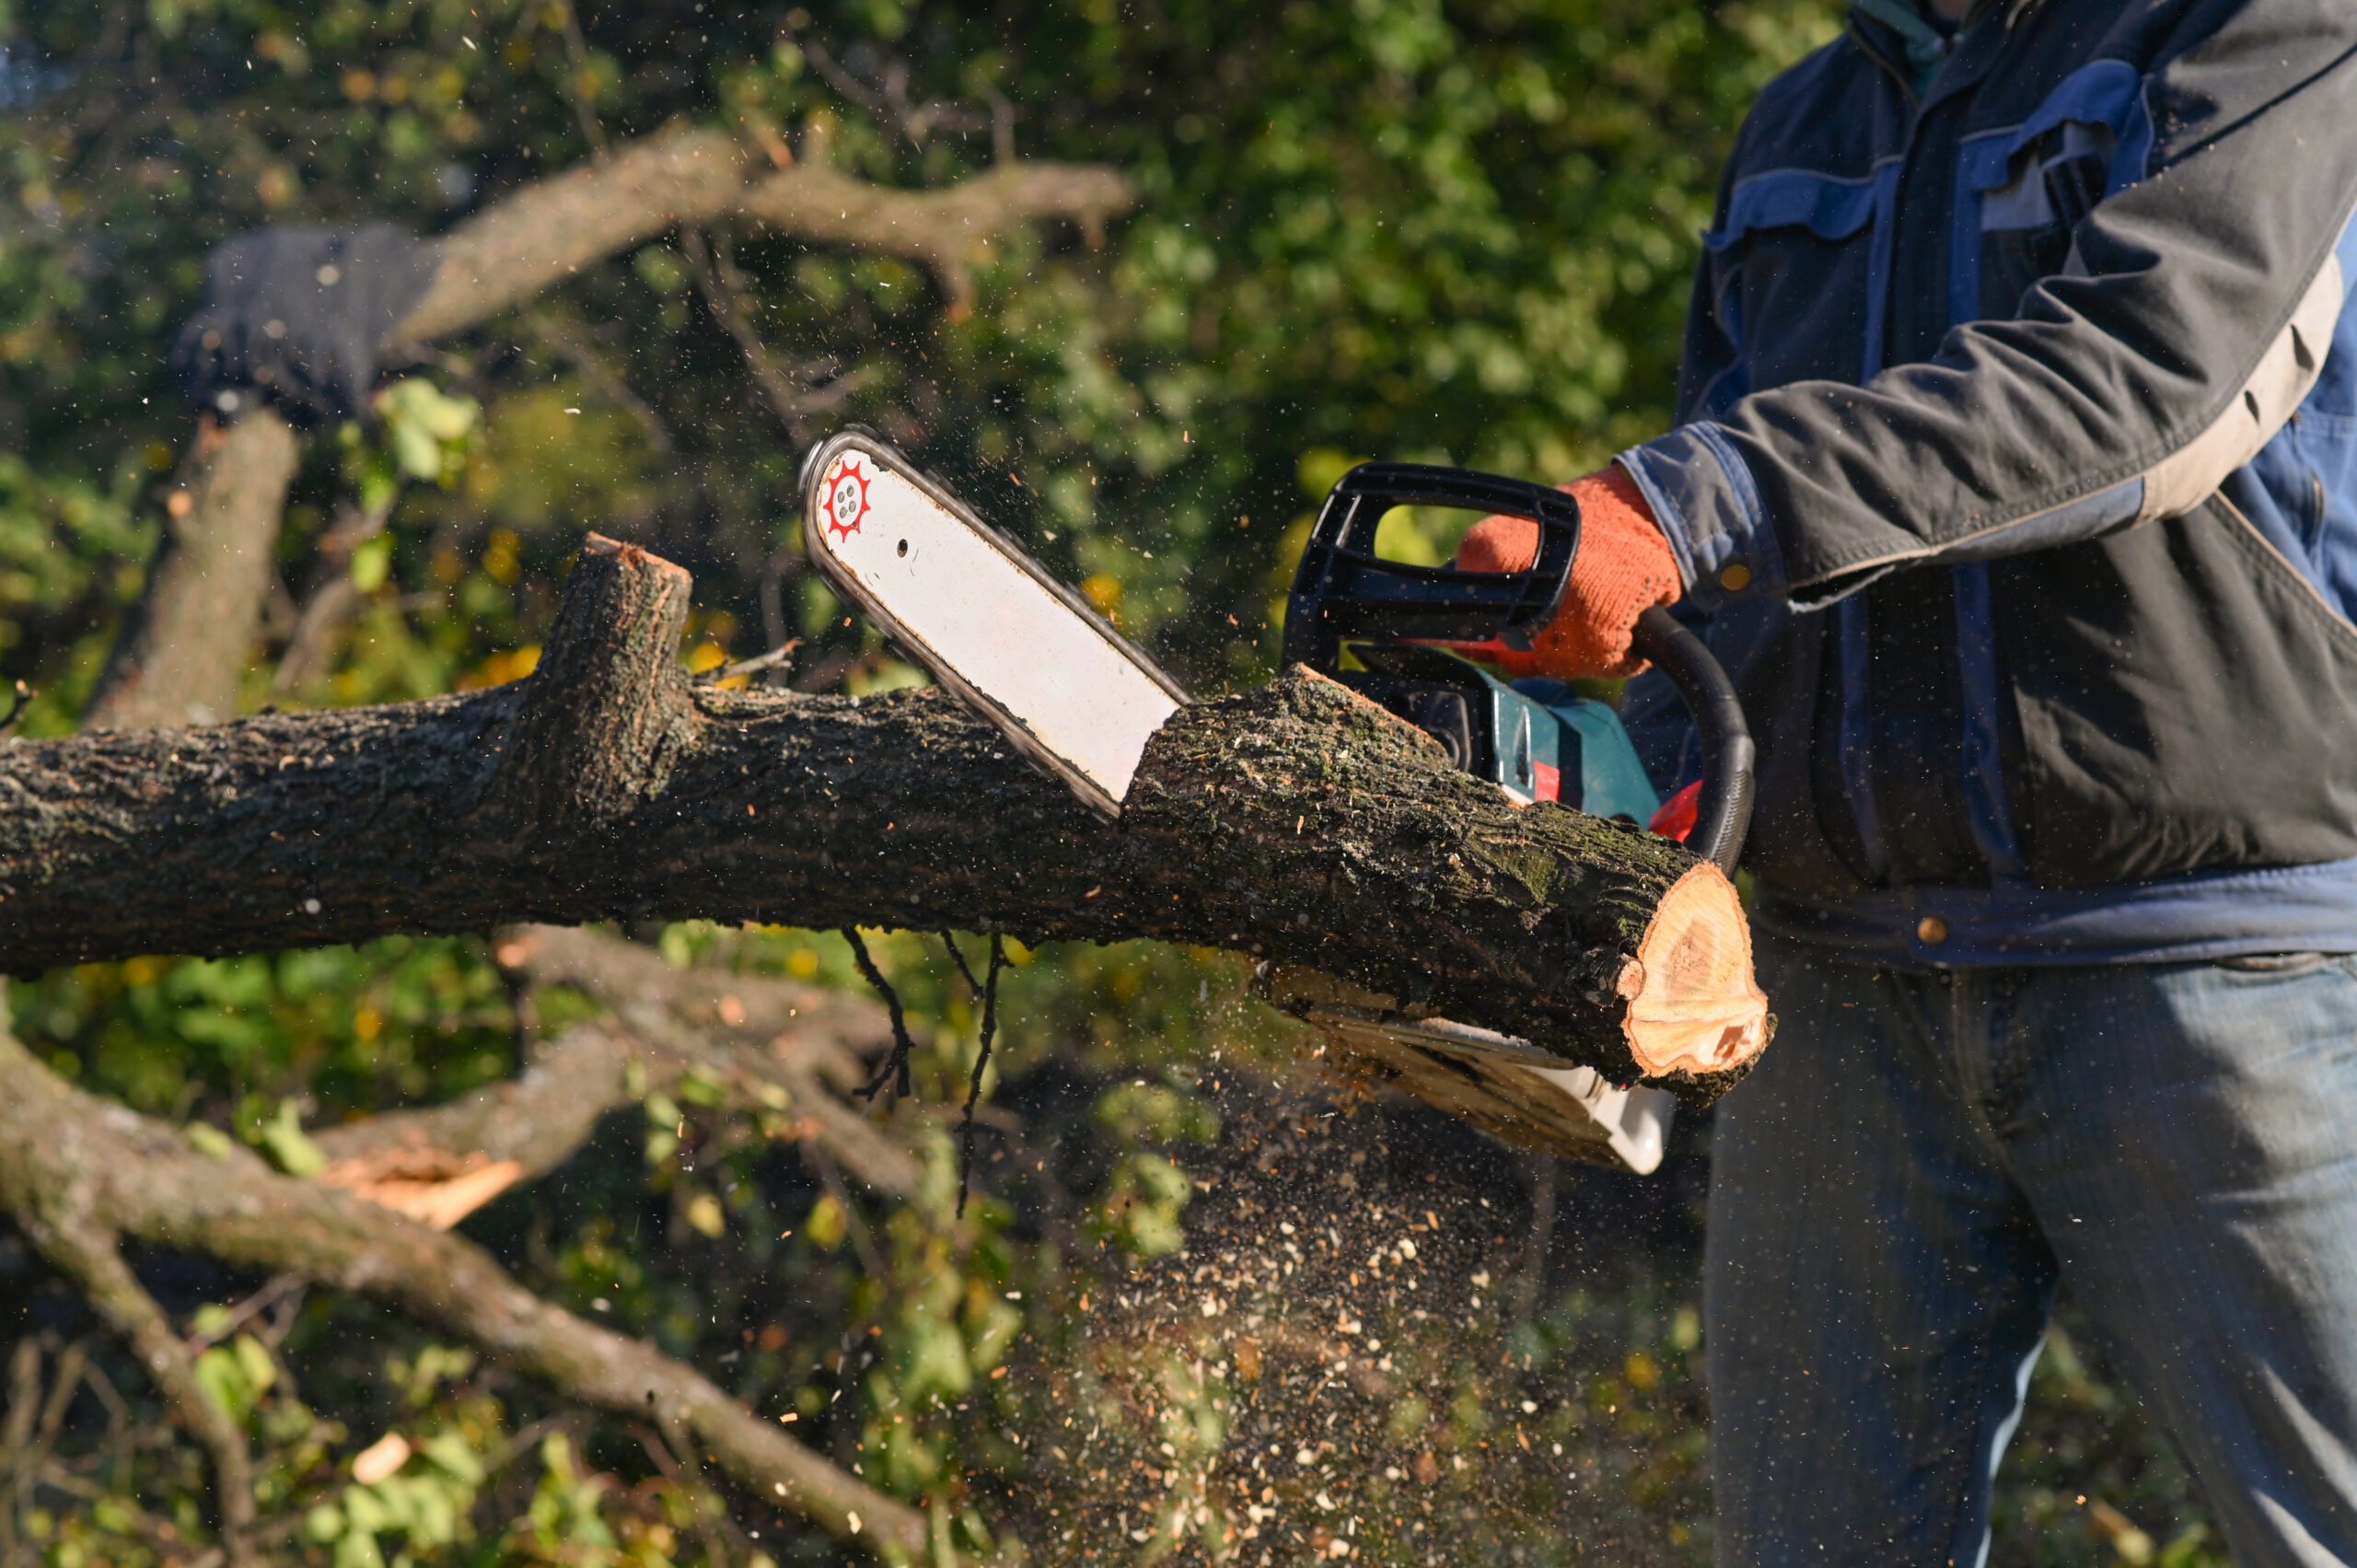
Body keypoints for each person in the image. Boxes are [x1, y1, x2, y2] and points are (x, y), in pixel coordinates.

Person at [1453, 0, 2357, 1561]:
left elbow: (2151, 386)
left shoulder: (2265, 31)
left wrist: (1696, 493)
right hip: (1843, 992)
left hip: (2216, 950)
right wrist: (1633, 828)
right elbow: (1706, 592)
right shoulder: (1808, 119)